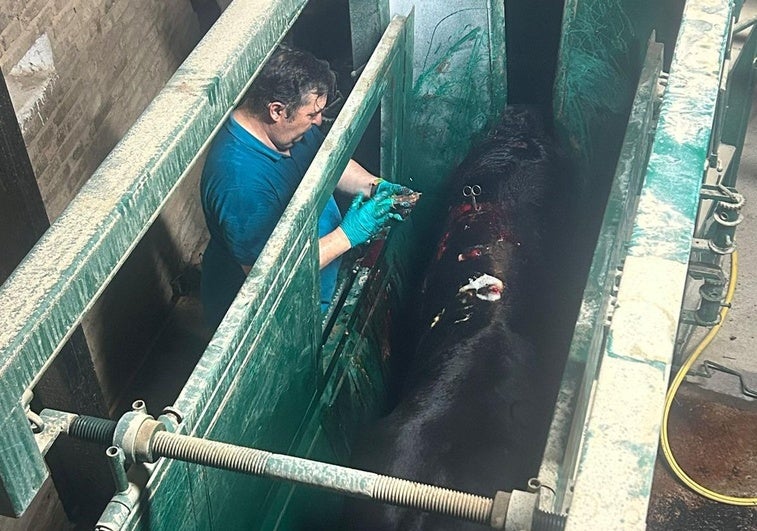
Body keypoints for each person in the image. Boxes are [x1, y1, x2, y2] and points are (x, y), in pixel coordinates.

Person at [200, 45, 412, 329]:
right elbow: (267, 280)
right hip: (270, 322)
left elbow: (327, 162)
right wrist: (348, 235)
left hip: (313, 288)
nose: (318, 122)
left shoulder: (284, 131)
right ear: (276, 110)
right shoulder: (238, 183)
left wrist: (374, 186)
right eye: (312, 114)